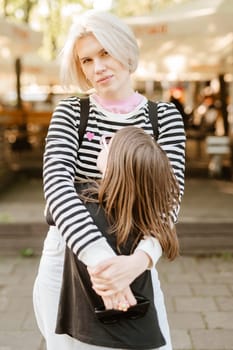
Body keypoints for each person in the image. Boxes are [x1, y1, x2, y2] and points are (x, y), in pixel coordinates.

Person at [33, 9, 186, 350]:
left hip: (134, 255)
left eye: (105, 52)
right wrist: (103, 265)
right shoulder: (72, 111)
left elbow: (168, 201)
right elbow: (58, 189)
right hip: (69, 257)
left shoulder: (164, 118)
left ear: (126, 51)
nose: (97, 67)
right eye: (86, 60)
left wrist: (138, 262)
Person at [55, 126, 180, 349]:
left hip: (92, 327)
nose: (101, 148)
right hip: (140, 329)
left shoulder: (83, 200)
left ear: (113, 164)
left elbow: (54, 206)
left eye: (106, 145)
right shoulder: (148, 213)